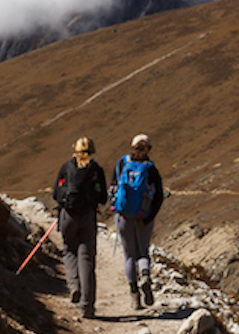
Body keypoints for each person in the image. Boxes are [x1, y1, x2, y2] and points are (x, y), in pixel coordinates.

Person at [52, 136, 107, 318]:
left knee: (68, 251)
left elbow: (55, 193)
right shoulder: (96, 170)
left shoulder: (66, 168)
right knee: (87, 259)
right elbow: (103, 197)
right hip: (88, 217)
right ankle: (87, 307)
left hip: (68, 216)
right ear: (92, 150)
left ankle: (74, 285)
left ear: (74, 149)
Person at [111, 133, 165, 311]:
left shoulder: (122, 164)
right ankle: (145, 275)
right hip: (144, 217)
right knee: (143, 252)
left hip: (124, 216)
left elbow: (113, 189)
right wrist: (148, 217)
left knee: (129, 255)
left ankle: (135, 297)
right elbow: (159, 197)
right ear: (149, 148)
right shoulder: (150, 169)